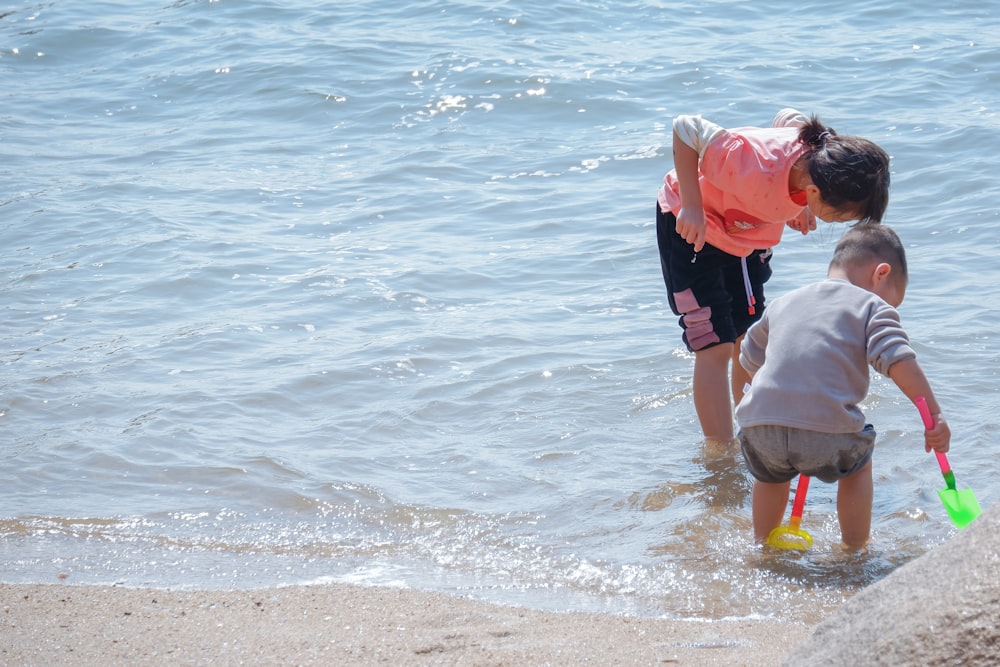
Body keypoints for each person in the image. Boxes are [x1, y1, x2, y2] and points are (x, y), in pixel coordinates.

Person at [656, 108, 891, 444]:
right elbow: (686, 128)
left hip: (747, 238)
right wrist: (692, 204)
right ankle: (721, 453)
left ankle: (752, 432)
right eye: (838, 216)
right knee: (714, 344)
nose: (835, 223)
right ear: (814, 189)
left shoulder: (820, 157)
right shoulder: (751, 161)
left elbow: (788, 118)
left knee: (748, 337)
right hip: (692, 226)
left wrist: (803, 206)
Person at [735, 223, 951, 550]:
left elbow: (749, 357)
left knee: (770, 476)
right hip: (826, 431)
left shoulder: (784, 301)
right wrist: (934, 415)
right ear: (880, 274)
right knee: (857, 466)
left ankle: (762, 546)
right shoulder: (871, 306)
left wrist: (765, 402)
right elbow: (899, 360)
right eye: (894, 301)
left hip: (760, 427)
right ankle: (854, 548)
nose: (890, 308)